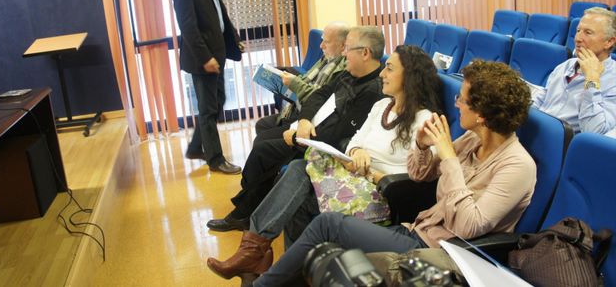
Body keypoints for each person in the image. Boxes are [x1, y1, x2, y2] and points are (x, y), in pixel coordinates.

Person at [248, 60, 536, 286]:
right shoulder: (473, 140)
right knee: (326, 248)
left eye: (462, 99)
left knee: (328, 226)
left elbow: (468, 227)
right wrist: (422, 146)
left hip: (444, 253)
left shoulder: (517, 166)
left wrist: (448, 157)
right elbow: (421, 175)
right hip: (418, 231)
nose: (456, 104)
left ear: (481, 114)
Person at [206, 45, 442, 281]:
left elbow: (421, 173)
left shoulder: (425, 120)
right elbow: (355, 139)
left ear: (410, 76)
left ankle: (256, 254)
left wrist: (372, 172)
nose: (382, 73)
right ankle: (277, 264)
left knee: (297, 175)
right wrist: (357, 151)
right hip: (351, 179)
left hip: (379, 194)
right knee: (298, 178)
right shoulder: (382, 106)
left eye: (389, 68)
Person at [206, 26, 385, 232]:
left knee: (263, 152)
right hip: (310, 130)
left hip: (322, 146)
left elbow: (340, 134)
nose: (344, 54)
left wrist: (296, 139)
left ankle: (242, 212)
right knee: (263, 143)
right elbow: (319, 94)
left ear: (365, 53)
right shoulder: (350, 73)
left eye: (348, 48)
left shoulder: (372, 91)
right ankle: (248, 206)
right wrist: (304, 121)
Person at [172, 0, 244, 174]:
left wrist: (233, 39)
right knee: (209, 108)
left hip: (217, 52)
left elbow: (219, 11)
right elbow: (188, 27)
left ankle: (195, 147)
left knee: (218, 100)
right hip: (203, 59)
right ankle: (215, 159)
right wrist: (206, 58)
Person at [254, 22, 349, 142]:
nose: (321, 46)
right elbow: (307, 80)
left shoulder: (344, 69)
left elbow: (320, 99)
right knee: (262, 125)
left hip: (311, 115)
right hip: (298, 106)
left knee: (262, 140)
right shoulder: (327, 58)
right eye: (322, 40)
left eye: (327, 42)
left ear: (343, 45)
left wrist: (294, 83)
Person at [533, 7, 616, 134]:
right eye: (578, 31)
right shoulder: (565, 66)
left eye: (588, 32)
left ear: (609, 42)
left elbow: (593, 131)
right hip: (538, 133)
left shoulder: (613, 80)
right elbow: (541, 99)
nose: (577, 38)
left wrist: (592, 79)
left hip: (564, 144)